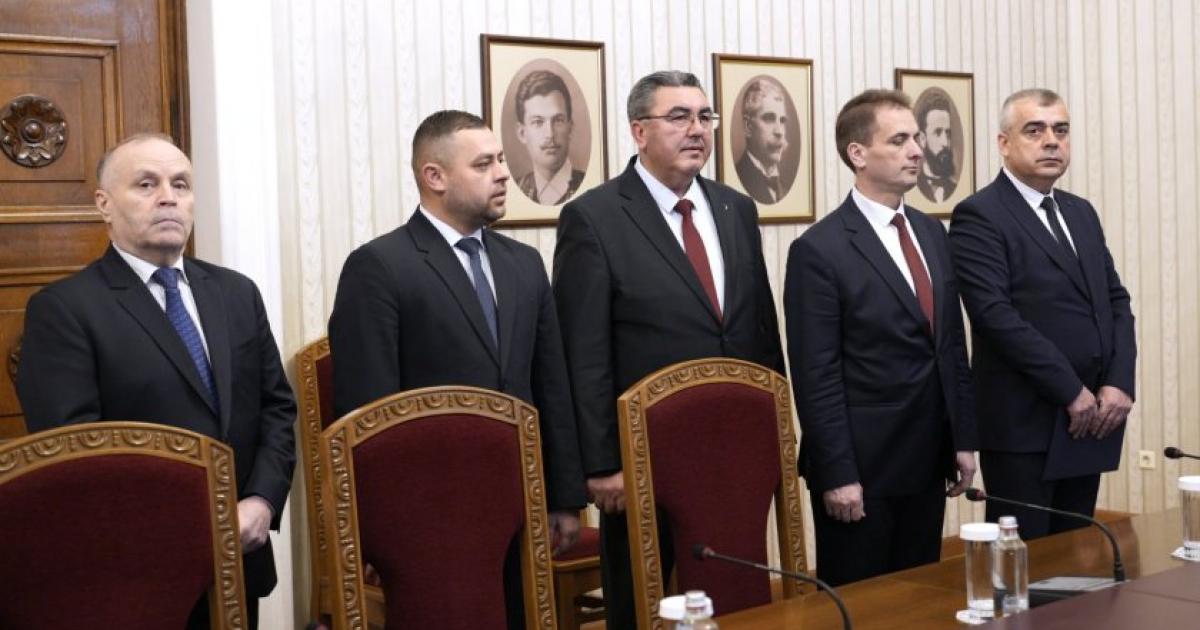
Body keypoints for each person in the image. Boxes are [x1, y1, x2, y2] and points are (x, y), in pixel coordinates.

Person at [16, 133, 296, 629]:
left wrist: (262, 500)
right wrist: (180, 529)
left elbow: (276, 408)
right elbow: (73, 453)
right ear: (104, 204)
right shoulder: (64, 309)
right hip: (134, 572)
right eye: (146, 184)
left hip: (238, 558)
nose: (168, 197)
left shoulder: (236, 293)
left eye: (181, 184)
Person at [327, 110, 587, 629]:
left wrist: (563, 497)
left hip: (519, 508)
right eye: (484, 164)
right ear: (435, 176)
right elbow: (368, 409)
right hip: (428, 516)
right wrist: (376, 531)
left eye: (500, 160)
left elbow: (551, 387)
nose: (503, 174)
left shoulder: (523, 264)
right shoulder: (380, 266)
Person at [553, 70, 784, 628]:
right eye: (678, 117)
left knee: (738, 594)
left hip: (736, 449)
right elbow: (584, 354)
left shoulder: (735, 208)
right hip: (643, 460)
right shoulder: (595, 218)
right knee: (645, 604)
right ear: (639, 131)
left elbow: (760, 329)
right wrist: (602, 463)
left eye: (704, 116)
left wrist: (777, 430)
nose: (697, 129)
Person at [783, 89, 977, 587]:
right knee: (862, 606)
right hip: (862, 470)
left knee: (918, 601)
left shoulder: (931, 233)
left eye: (917, 138)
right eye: (899, 140)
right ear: (858, 153)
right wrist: (838, 473)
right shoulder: (818, 250)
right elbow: (816, 375)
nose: (917, 150)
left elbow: (951, 346)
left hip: (927, 459)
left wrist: (962, 439)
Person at [948, 89, 1135, 539]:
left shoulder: (1080, 212)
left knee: (1076, 553)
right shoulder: (979, 215)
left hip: (1092, 418)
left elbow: (1115, 301)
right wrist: (1070, 390)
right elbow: (995, 317)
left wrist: (1119, 381)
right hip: (1025, 423)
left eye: (1061, 130)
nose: (1052, 140)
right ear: (1004, 143)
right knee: (1025, 562)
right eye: (1035, 130)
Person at [512, 70, 586, 205]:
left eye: (558, 120)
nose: (550, 134)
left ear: (570, 127)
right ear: (522, 133)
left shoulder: (589, 189)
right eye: (538, 122)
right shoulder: (513, 191)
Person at [734, 77, 792, 204]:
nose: (779, 132)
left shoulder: (784, 188)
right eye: (769, 118)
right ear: (748, 127)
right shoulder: (738, 180)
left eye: (782, 121)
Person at [914, 89, 959, 203]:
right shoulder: (914, 187)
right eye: (937, 133)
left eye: (947, 133)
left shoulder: (954, 187)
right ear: (923, 139)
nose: (945, 143)